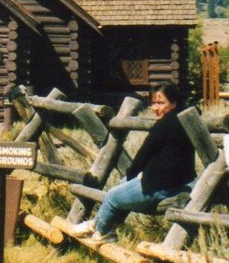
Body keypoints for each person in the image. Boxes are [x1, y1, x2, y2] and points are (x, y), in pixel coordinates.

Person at [69, 82, 196, 244]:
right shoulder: (183, 119)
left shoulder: (164, 125)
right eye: (154, 103)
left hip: (164, 188)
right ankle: (98, 224)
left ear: (174, 102)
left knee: (113, 195)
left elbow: (143, 155)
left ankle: (103, 231)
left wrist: (133, 173)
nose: (156, 108)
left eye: (161, 103)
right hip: (177, 182)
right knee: (123, 184)